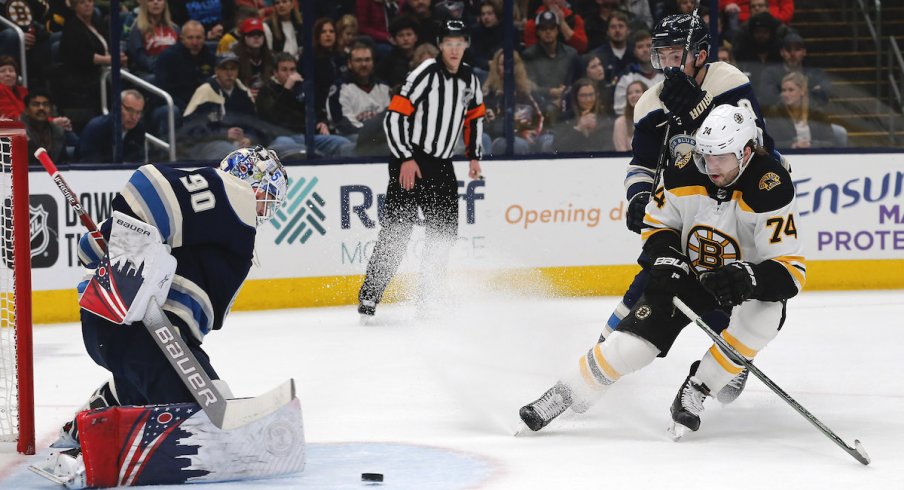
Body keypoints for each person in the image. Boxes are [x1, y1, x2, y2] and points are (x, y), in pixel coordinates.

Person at [526, 13, 784, 426]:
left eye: (675, 54)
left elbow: (756, 146)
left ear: (700, 54)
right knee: (646, 291)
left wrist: (698, 109)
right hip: (685, 214)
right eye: (660, 54)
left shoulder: (727, 81)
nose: (665, 63)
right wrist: (639, 195)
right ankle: (589, 375)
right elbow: (643, 163)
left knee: (727, 304)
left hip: (734, 216)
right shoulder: (649, 103)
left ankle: (723, 367)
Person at [41, 145, 290, 482]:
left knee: (148, 386)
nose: (267, 206)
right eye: (268, 194)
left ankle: (83, 429)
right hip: (143, 329)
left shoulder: (217, 224)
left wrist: (113, 242)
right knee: (206, 418)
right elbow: (150, 185)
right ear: (251, 183)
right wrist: (120, 246)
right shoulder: (232, 194)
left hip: (122, 333)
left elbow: (91, 248)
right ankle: (85, 461)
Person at [357, 20, 484, 320]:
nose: (454, 49)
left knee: (444, 234)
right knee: (396, 232)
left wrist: (474, 156)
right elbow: (394, 117)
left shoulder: (469, 78)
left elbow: (475, 116)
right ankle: (370, 295)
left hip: (441, 165)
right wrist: (405, 158)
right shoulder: (425, 73)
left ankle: (428, 295)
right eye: (449, 43)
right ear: (440, 45)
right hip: (412, 161)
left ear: (465, 45)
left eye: (459, 43)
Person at [258, 52, 355, 158]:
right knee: (287, 146)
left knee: (341, 142)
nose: (289, 74)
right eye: (284, 70)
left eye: (292, 69)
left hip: (308, 136)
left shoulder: (302, 88)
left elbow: (317, 110)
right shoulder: (266, 90)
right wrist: (286, 89)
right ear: (275, 73)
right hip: (282, 136)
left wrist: (322, 122)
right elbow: (272, 117)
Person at [483, 49, 546, 155]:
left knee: (547, 140)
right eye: (503, 64)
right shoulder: (489, 94)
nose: (508, 68)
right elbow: (488, 127)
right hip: (499, 139)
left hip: (530, 135)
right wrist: (515, 127)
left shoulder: (528, 91)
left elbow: (542, 115)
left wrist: (532, 132)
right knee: (519, 144)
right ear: (496, 67)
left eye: (512, 64)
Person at [765, 72, 837, 149]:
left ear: (802, 91)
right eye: (784, 90)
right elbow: (770, 144)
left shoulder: (817, 112)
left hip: (815, 156)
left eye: (791, 90)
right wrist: (793, 145)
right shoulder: (775, 113)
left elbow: (831, 143)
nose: (786, 94)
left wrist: (811, 145)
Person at [77, 90, 147, 163]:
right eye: (129, 110)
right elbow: (89, 162)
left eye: (138, 112)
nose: (134, 117)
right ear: (117, 107)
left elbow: (138, 160)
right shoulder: (96, 127)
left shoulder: (139, 128)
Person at [550, 77, 615, 152]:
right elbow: (558, 147)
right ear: (575, 97)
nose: (588, 99)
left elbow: (609, 145)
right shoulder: (565, 118)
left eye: (591, 95)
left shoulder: (605, 117)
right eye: (583, 96)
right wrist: (579, 128)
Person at [126, 0, 180, 82]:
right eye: (150, 0)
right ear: (144, 4)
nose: (155, 2)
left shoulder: (175, 28)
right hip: (146, 73)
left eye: (159, 0)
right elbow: (139, 56)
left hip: (172, 70)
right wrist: (160, 67)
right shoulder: (137, 28)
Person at [21, 90, 74, 165]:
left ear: (51, 109)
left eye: (45, 105)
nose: (41, 108)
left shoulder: (59, 131)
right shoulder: (18, 132)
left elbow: (64, 162)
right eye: (36, 104)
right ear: (26, 110)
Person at [612, 79, 647, 151]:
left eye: (637, 91)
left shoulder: (656, 119)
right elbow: (621, 151)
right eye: (629, 93)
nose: (633, 95)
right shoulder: (621, 122)